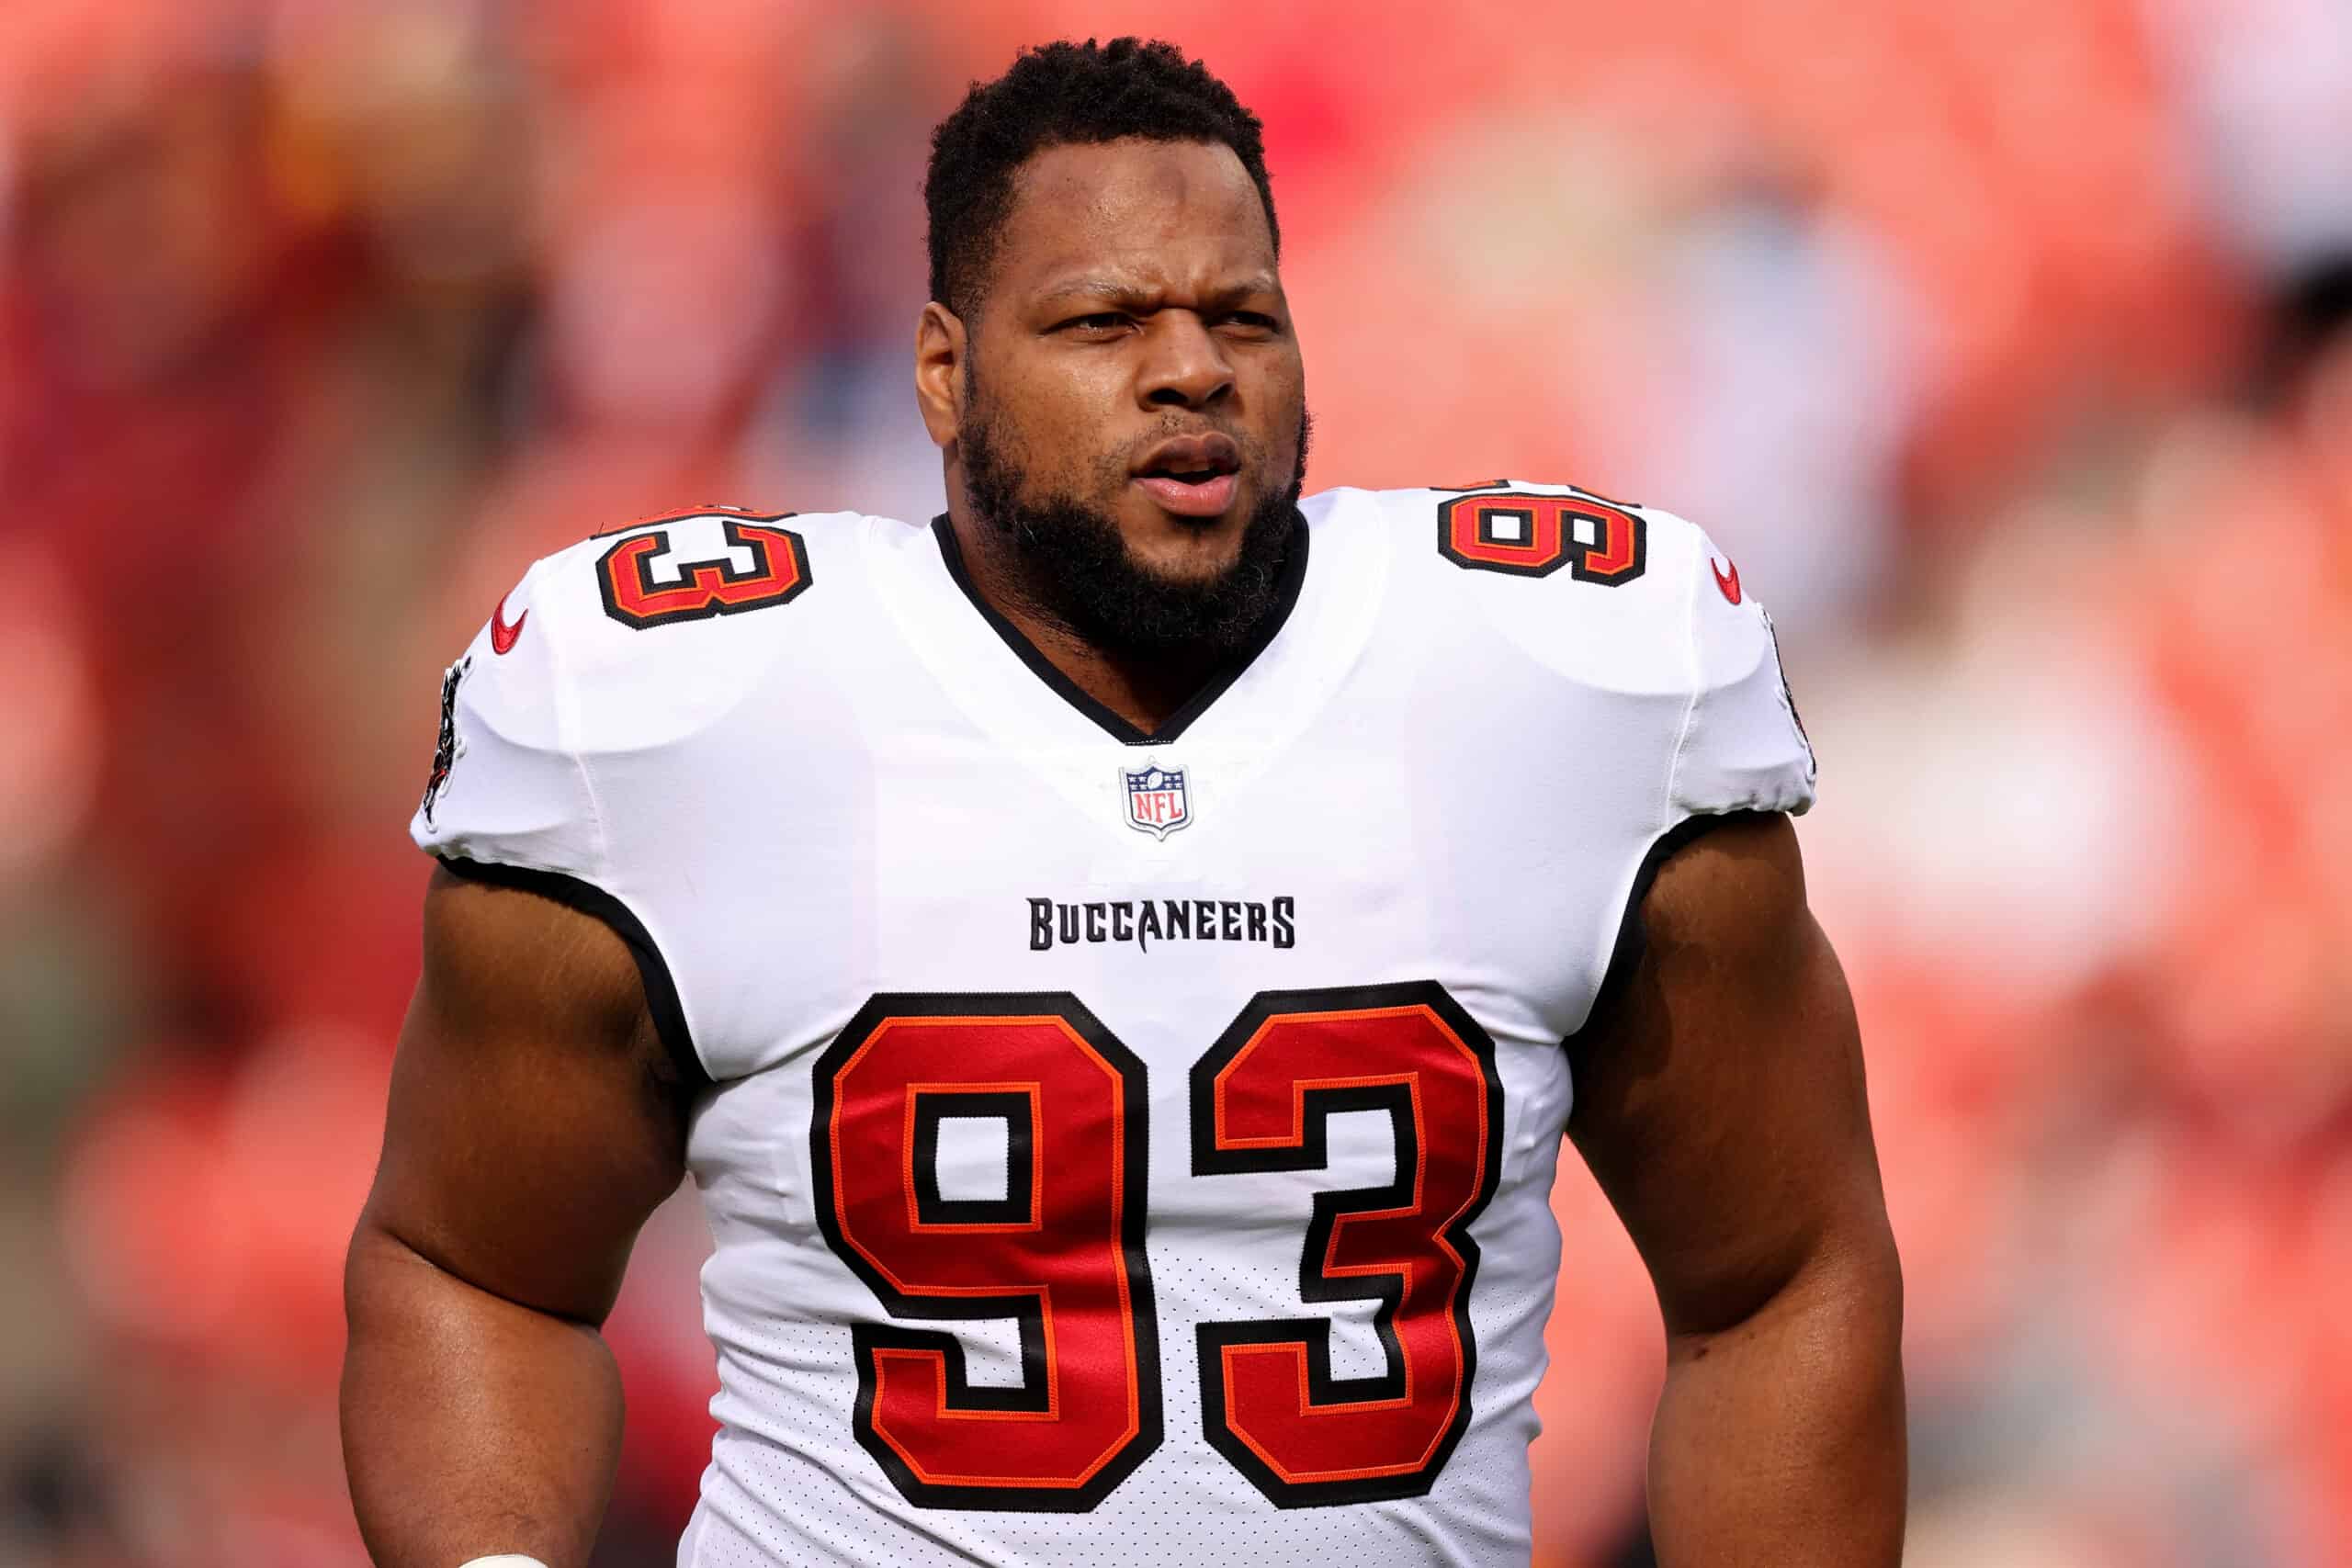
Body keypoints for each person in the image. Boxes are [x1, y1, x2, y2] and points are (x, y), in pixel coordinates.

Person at [341, 37, 1904, 1568]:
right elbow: (476, 1266)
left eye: (1244, 315)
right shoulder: (695, 712)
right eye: (1102, 321)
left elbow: (1779, 1272)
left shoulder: (1555, 679)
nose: (1190, 368)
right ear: (946, 374)